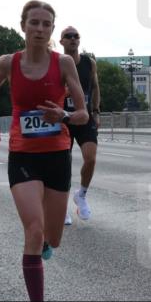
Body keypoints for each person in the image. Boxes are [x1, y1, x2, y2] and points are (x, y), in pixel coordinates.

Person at [0, 0, 89, 302]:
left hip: (57, 155)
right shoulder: (7, 62)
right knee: (33, 231)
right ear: (23, 26)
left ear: (52, 30)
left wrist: (66, 116)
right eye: (34, 23)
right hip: (23, 155)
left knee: (52, 238)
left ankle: (45, 243)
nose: (40, 29)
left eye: (46, 24)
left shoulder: (65, 63)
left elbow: (84, 114)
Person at [59, 26, 101, 226]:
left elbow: (94, 87)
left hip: (84, 117)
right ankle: (62, 207)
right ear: (62, 42)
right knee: (63, 165)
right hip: (65, 118)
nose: (73, 39)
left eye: (76, 36)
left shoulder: (88, 63)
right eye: (68, 36)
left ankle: (81, 195)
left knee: (90, 158)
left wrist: (96, 111)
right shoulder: (57, 63)